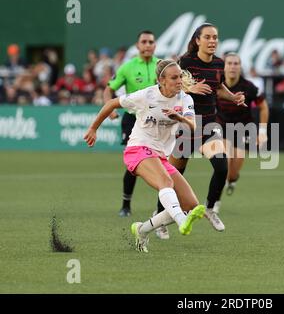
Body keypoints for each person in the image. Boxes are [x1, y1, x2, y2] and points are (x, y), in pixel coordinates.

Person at [84, 60, 206, 253]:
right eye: (174, 78)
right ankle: (181, 221)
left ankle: (142, 229)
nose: (179, 81)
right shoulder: (146, 95)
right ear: (161, 80)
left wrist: (179, 118)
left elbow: (192, 125)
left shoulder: (185, 99)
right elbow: (111, 103)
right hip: (138, 149)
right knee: (165, 182)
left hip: (159, 156)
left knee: (191, 205)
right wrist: (93, 128)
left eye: (180, 77)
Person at [154, 23, 246, 235]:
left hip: (209, 125)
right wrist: (189, 87)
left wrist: (232, 97)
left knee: (222, 167)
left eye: (215, 37)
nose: (213, 41)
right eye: (208, 37)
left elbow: (218, 87)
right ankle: (158, 219)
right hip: (186, 126)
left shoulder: (218, 63)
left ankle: (212, 209)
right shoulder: (185, 62)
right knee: (172, 178)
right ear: (197, 40)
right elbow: (165, 83)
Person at [103, 30, 159, 218]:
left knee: (163, 162)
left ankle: (163, 206)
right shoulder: (127, 67)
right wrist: (110, 108)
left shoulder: (162, 66)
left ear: (155, 45)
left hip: (157, 120)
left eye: (151, 42)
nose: (147, 45)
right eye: (144, 41)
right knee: (133, 165)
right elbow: (109, 89)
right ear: (137, 46)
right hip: (133, 119)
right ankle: (126, 205)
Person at [215, 52, 269, 202]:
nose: (232, 66)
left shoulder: (249, 87)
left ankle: (233, 180)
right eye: (229, 63)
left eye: (236, 63)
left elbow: (263, 107)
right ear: (223, 67)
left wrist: (262, 131)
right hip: (222, 127)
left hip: (243, 129)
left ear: (240, 67)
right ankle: (215, 203)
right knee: (223, 165)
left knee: (232, 172)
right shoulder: (216, 85)